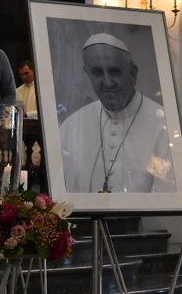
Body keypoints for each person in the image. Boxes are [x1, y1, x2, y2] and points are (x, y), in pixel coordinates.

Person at [58, 32, 175, 193]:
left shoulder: (164, 125)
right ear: (87, 74)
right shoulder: (71, 126)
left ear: (133, 73)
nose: (107, 82)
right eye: (97, 72)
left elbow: (167, 197)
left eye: (114, 71)